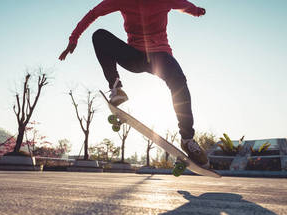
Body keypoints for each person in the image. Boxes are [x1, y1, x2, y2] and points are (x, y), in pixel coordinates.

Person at [59, 0, 208, 166]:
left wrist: (196, 11)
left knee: (179, 82)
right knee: (99, 36)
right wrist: (74, 38)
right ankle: (116, 88)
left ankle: (187, 138)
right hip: (134, 56)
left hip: (160, 56)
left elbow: (183, 5)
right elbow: (94, 13)